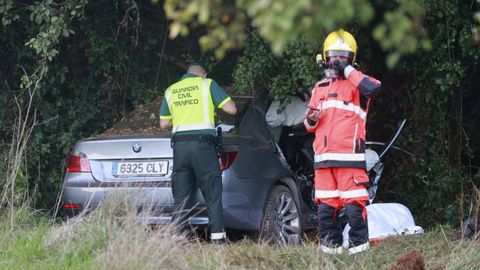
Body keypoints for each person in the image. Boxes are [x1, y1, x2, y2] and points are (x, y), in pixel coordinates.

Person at [305, 29, 381, 255]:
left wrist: (347, 70)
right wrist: (311, 119)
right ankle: (332, 255)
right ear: (325, 57)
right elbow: (309, 125)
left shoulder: (360, 85)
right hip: (323, 162)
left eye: (343, 56)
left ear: (352, 59)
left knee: (354, 208)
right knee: (325, 211)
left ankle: (360, 253)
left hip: (349, 161)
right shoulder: (319, 87)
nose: (337, 61)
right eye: (333, 56)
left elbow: (374, 89)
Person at [159, 63, 237, 242]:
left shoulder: (171, 90)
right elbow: (232, 109)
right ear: (203, 74)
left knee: (180, 196)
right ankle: (218, 239)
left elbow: (163, 124)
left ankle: (177, 238)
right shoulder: (207, 84)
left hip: (179, 148)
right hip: (203, 146)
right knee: (212, 192)